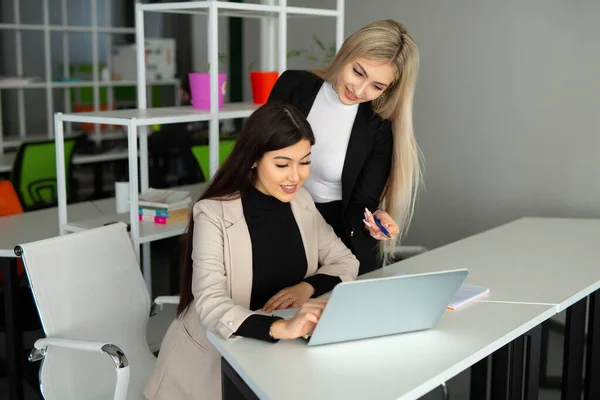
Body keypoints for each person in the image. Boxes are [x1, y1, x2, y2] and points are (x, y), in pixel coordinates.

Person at [144, 101, 359, 400]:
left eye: (305, 162)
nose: (295, 177)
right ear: (254, 159)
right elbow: (210, 303)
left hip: (279, 357)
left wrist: (306, 287)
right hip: (213, 364)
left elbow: (344, 260)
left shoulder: (302, 203)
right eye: (282, 164)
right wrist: (280, 327)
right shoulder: (213, 213)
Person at [268, 19, 422, 274]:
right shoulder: (293, 86)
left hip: (336, 240)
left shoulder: (378, 127)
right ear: (346, 53)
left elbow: (362, 201)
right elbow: (257, 153)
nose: (359, 90)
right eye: (358, 72)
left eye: (377, 86)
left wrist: (373, 221)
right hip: (275, 223)